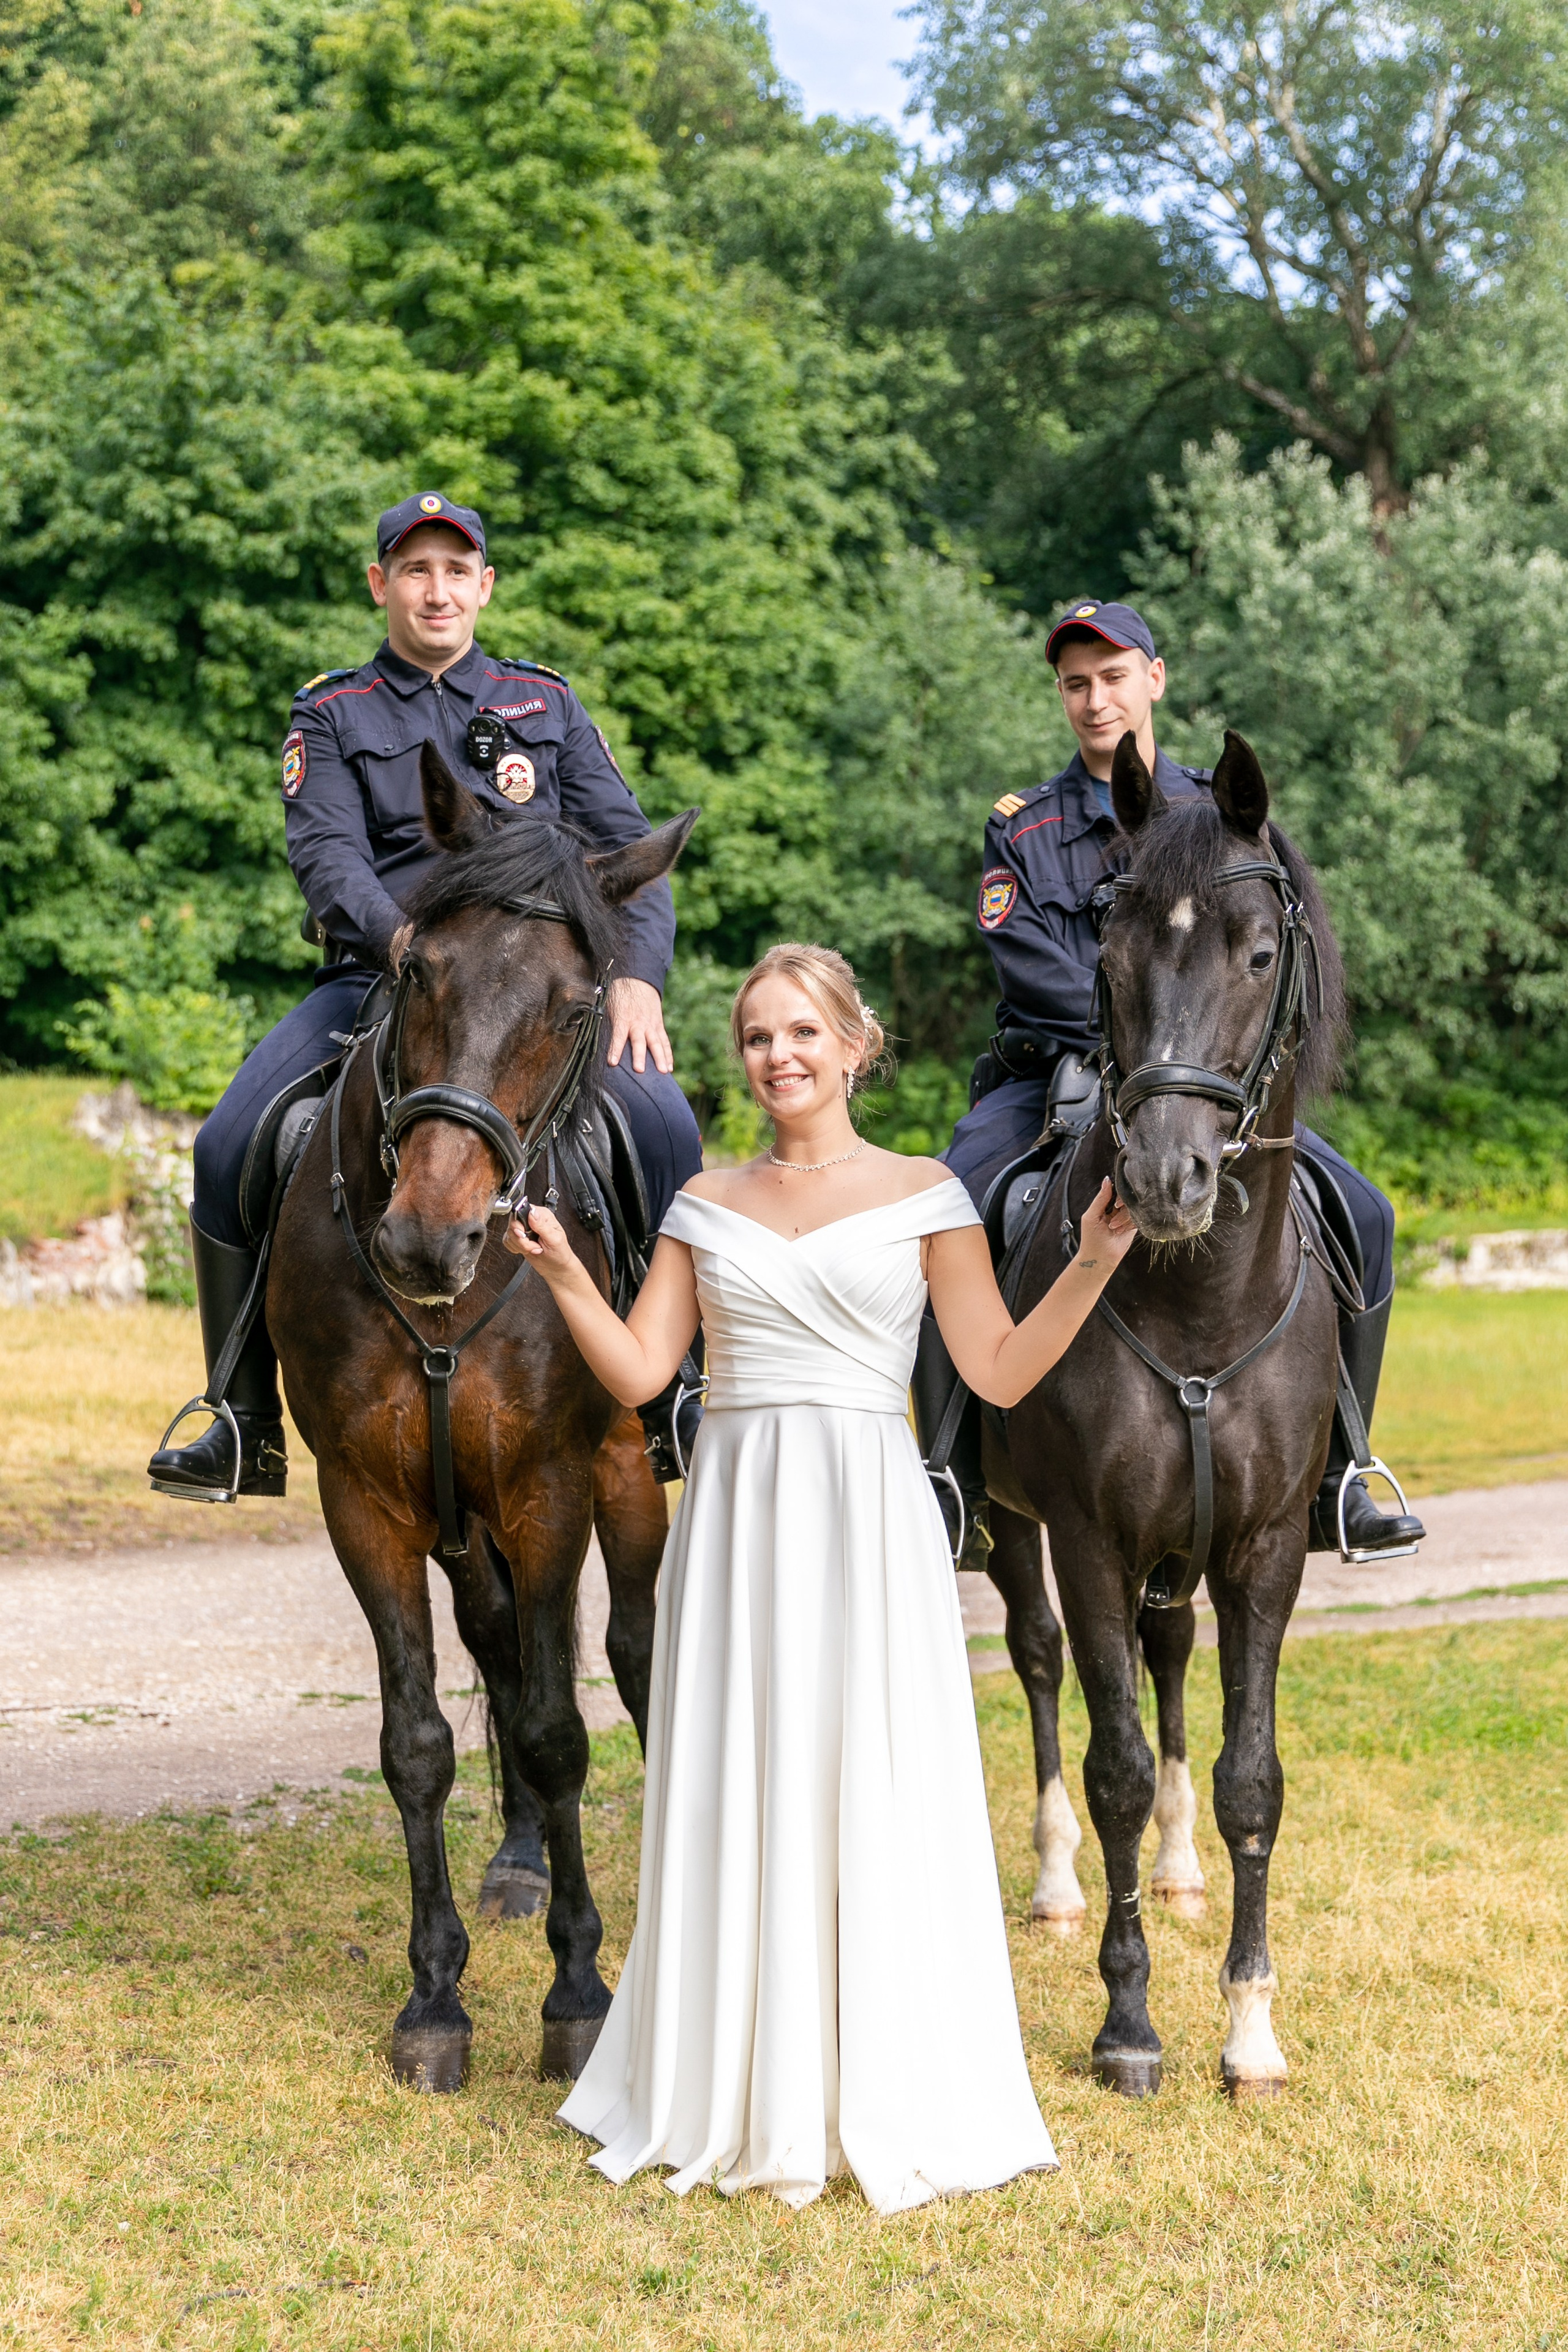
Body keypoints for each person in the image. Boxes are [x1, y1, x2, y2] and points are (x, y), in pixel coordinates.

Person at [514, 942, 1137, 2213]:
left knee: (870, 1766)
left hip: (867, 1508)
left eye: (803, 1032)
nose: (778, 1055)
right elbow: (641, 1374)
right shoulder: (701, 1201)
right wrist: (570, 1274)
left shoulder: (928, 1196)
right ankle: (736, 2075)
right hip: (738, 1512)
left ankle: (880, 2072)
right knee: (742, 1769)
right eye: (757, 1037)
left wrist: (1088, 1261)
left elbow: (999, 1370)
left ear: (856, 1045)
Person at [148, 492, 702, 1502]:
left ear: (485, 586)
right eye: (415, 570)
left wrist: (637, 981)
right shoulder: (333, 712)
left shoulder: (546, 705)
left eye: (456, 571)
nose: (436, 590)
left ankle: (679, 1388)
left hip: (534, 991)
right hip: (386, 974)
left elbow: (632, 854)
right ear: (381, 585)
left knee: (665, 1126)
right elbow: (327, 856)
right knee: (228, 1143)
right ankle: (242, 1417)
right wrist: (406, 944)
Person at [933, 597, 1423, 1561]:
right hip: (1055, 1071)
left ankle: (1341, 1472)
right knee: (954, 1207)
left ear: (1154, 679)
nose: (1095, 699)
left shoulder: (1226, 816)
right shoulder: (1023, 830)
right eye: (1076, 684)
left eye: (1114, 677)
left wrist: (1183, 1049)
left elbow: (1279, 955)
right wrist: (1135, 1028)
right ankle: (951, 1473)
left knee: (1364, 1214)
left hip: (1205, 1083)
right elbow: (1023, 961)